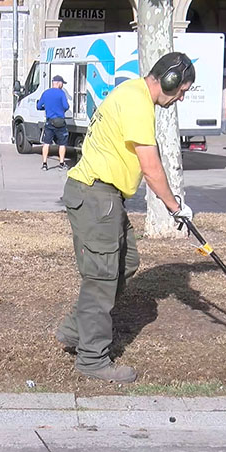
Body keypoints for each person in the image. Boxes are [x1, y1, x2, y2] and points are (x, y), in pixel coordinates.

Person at [55, 52, 196, 383]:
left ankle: (75, 329)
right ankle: (92, 359)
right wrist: (175, 206)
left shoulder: (132, 93)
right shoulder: (137, 103)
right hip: (96, 195)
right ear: (171, 80)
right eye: (183, 89)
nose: (182, 96)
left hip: (105, 197)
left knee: (126, 261)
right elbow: (150, 165)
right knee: (102, 280)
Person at [36, 74, 70, 170]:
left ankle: (44, 164)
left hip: (49, 122)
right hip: (60, 122)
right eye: (62, 83)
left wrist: (46, 107)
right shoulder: (61, 93)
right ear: (59, 83)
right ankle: (61, 163)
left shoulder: (46, 93)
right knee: (62, 144)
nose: (62, 85)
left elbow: (38, 106)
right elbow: (66, 106)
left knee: (46, 143)